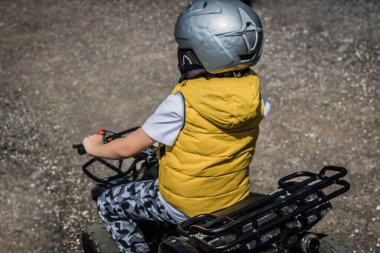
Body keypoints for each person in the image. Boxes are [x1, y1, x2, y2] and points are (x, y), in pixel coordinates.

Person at [82, 0, 269, 252]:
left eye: (185, 47)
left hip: (185, 206)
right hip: (233, 195)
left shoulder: (182, 101)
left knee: (110, 202)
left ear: (202, 50)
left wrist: (93, 146)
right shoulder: (254, 93)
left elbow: (126, 148)